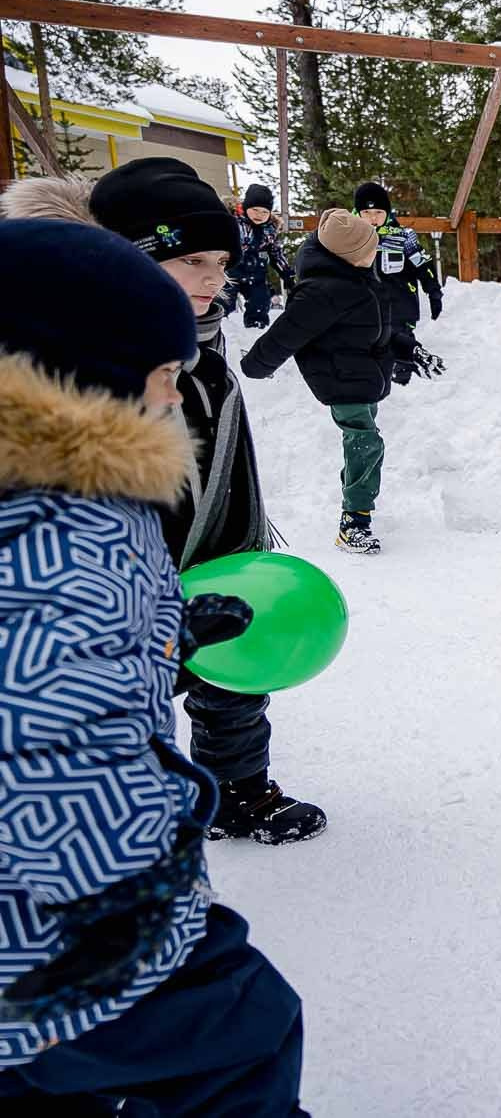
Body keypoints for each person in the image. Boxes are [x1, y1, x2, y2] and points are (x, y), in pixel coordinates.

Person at [0, 215, 309, 1115]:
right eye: (166, 378)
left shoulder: (74, 498)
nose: (177, 400)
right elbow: (43, 768)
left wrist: (170, 637)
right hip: (75, 935)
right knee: (243, 1037)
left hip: (46, 936)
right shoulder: (57, 546)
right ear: (81, 379)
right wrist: (155, 862)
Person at [1, 160, 329, 844]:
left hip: (210, 548)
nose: (215, 278)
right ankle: (116, 824)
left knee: (234, 668)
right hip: (111, 575)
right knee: (113, 697)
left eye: (222, 261)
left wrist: (242, 550)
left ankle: (238, 788)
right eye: (191, 260)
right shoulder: (75, 363)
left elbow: (228, 453)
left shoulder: (205, 362)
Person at [242, 209, 396, 555]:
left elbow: (378, 326)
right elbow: (285, 334)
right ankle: (354, 520)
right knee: (365, 441)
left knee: (364, 440)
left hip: (365, 375)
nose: (376, 252)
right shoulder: (322, 291)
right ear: (350, 255)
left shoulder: (357, 277)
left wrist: (402, 350)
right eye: (371, 248)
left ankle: (356, 504)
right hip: (341, 378)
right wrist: (255, 365)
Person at [352, 181, 443, 384]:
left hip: (400, 307)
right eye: (366, 212)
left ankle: (405, 380)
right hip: (364, 309)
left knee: (401, 351)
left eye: (378, 212)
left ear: (388, 212)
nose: (373, 218)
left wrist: (434, 291)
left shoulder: (403, 237)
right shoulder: (348, 238)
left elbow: (422, 264)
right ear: (357, 213)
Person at [230, 183, 294, 330]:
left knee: (261, 300)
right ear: (246, 208)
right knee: (224, 299)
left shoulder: (269, 230)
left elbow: (276, 254)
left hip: (255, 274)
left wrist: (287, 275)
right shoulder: (234, 224)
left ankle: (256, 326)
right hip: (231, 271)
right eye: (255, 210)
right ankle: (221, 324)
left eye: (264, 212)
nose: (259, 215)